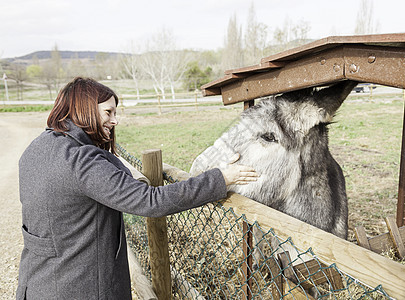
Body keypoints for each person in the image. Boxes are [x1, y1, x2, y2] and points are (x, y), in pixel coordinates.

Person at [16, 77, 258, 300]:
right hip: (79, 288)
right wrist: (219, 178)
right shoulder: (82, 162)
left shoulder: (37, 148)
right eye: (108, 112)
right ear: (84, 109)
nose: (115, 120)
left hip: (36, 283)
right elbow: (151, 201)